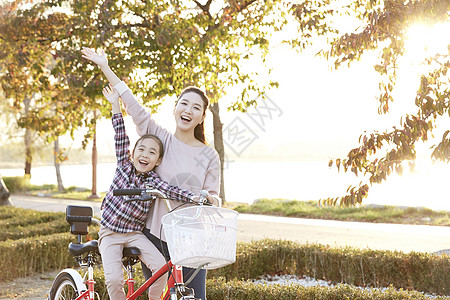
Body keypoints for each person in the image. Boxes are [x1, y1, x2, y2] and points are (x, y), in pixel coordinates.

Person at [82, 47, 221, 300]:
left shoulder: (209, 155)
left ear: (202, 117)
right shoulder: (159, 139)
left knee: (194, 296)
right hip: (155, 235)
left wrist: (211, 200)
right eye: (184, 104)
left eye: (196, 108)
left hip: (191, 240)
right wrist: (105, 66)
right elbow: (132, 105)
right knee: (158, 294)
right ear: (175, 108)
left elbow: (213, 197)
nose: (188, 110)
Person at [99, 84, 201, 300]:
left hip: (135, 234)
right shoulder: (124, 166)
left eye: (152, 152)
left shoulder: (154, 181)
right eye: (141, 150)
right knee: (114, 280)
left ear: (158, 161)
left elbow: (171, 190)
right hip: (110, 233)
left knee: (161, 269)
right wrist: (115, 105)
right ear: (133, 153)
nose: (145, 155)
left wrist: (194, 197)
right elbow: (120, 135)